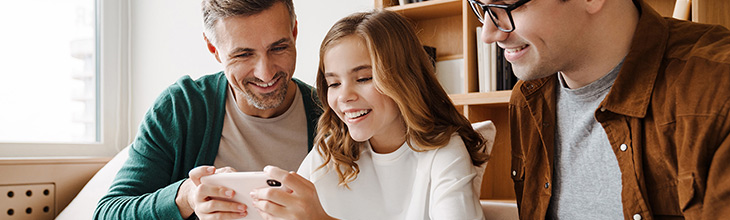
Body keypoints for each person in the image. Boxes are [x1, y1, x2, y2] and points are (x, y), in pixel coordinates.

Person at [470, 0, 730, 218]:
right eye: (480, 6)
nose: (488, 34)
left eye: (505, 6)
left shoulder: (716, 91)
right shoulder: (528, 98)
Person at [247, 10, 489, 220]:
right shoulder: (329, 152)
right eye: (333, 83)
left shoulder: (443, 153)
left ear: (405, 79)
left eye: (363, 78)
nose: (344, 97)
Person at [94, 0, 322, 219]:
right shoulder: (180, 108)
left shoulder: (330, 113)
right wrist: (186, 197)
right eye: (243, 54)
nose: (265, 73)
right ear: (214, 49)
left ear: (294, 32)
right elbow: (108, 213)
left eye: (279, 47)